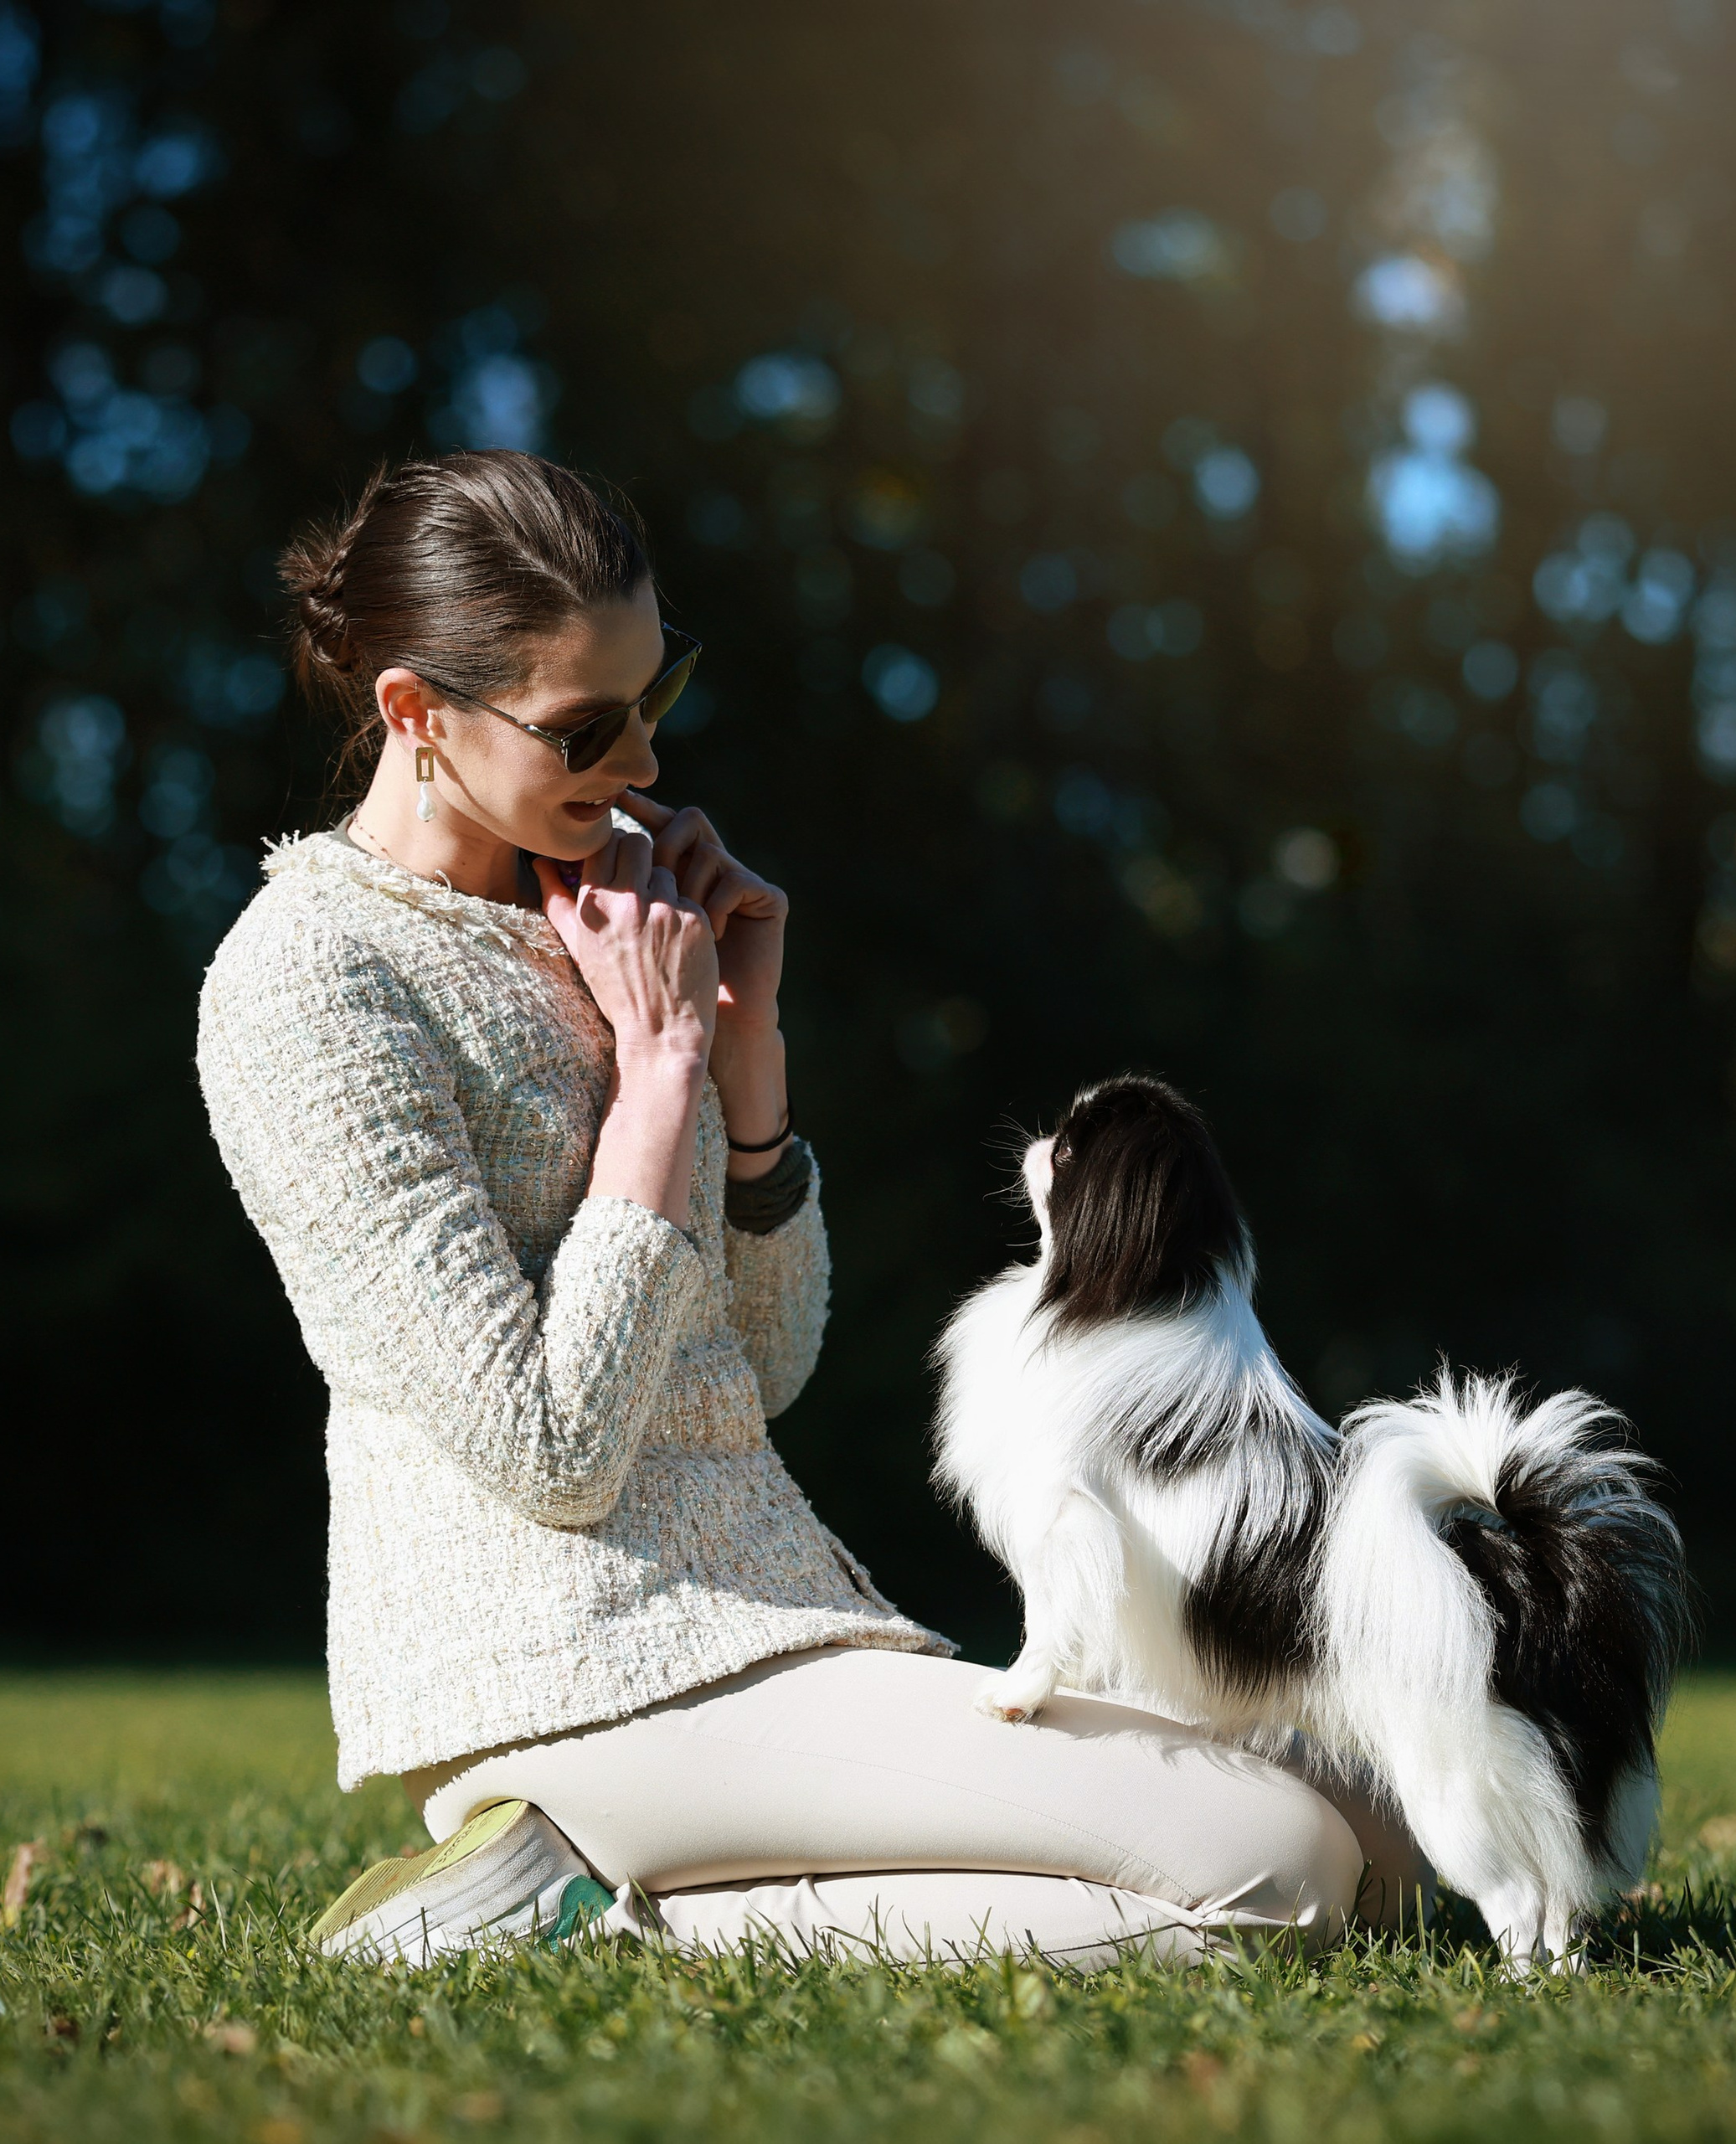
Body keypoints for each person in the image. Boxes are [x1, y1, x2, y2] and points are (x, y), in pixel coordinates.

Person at [196, 448, 1426, 1968]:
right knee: (1279, 1869)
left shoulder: (605, 902)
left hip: (780, 1619)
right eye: (585, 727)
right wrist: (654, 1082)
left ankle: (612, 1905)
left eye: (659, 697)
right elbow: (551, 1450)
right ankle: (600, 1905)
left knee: (1392, 1828)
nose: (642, 764)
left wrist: (745, 1057)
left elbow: (759, 1371)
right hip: (563, 1669)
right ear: (414, 715)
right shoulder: (307, 981)